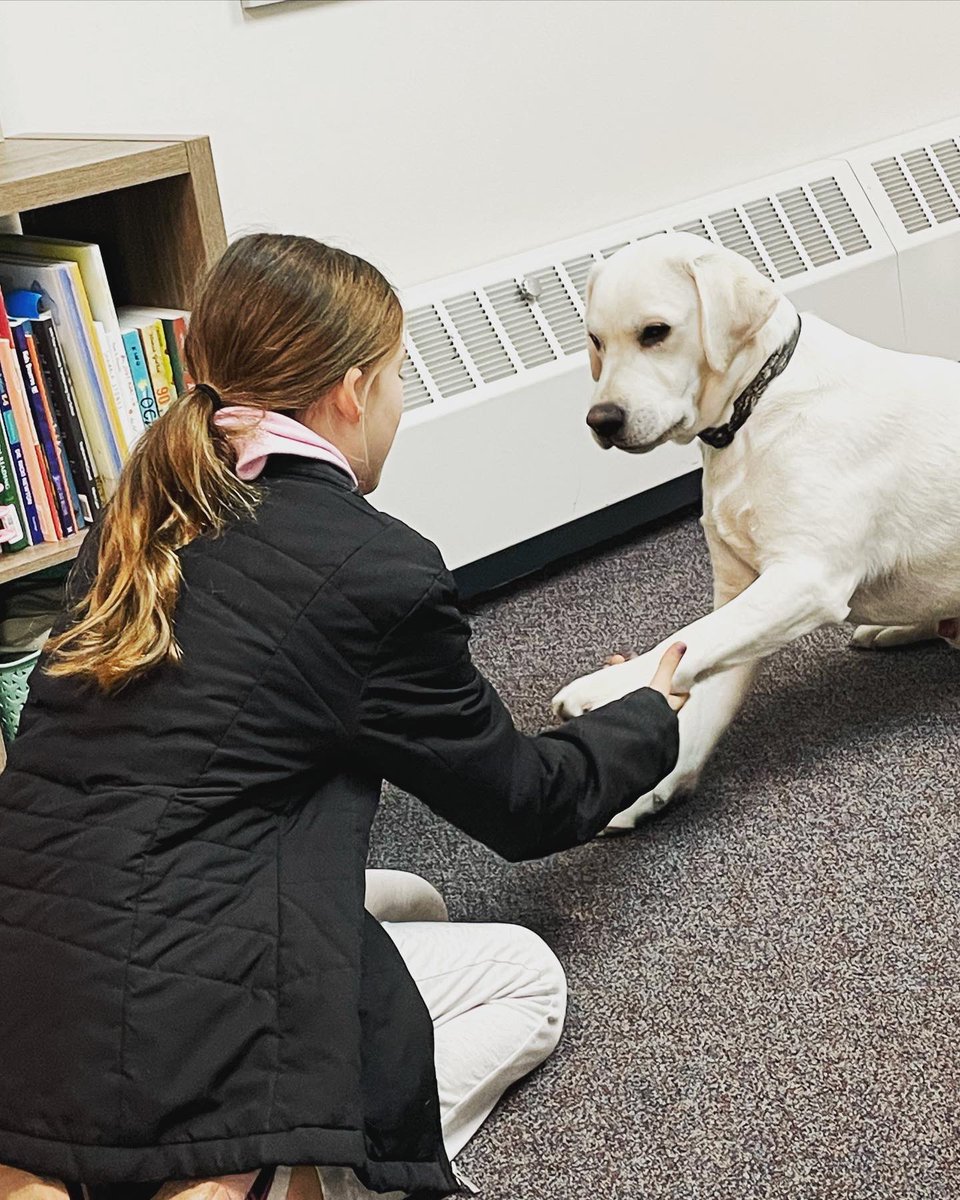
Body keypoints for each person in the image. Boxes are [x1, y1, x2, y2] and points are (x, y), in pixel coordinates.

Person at [0, 234, 687, 1200]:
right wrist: (648, 715)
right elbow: (527, 804)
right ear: (353, 390)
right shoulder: (372, 569)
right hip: (164, 1005)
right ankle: (309, 1167)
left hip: (27, 954)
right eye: (400, 378)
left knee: (409, 897)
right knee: (525, 976)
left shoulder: (141, 513)